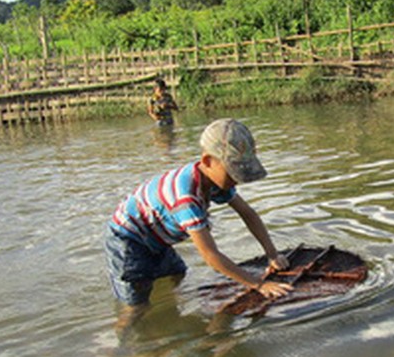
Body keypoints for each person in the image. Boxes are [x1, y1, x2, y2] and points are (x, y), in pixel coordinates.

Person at [105, 118, 292, 324]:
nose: (236, 179)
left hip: (157, 238)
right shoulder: (185, 198)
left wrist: (272, 254)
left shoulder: (214, 181)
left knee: (177, 275)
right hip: (128, 240)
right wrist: (257, 284)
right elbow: (210, 255)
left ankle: (169, 320)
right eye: (232, 171)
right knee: (137, 306)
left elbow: (247, 213)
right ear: (208, 162)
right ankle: (124, 347)